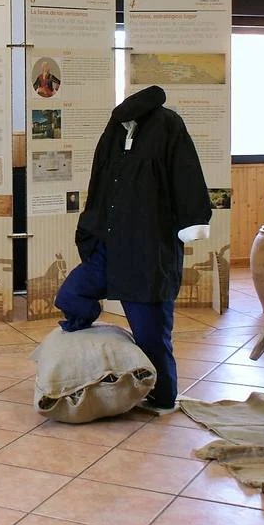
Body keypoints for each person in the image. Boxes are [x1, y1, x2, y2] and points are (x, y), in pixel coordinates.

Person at [54, 86, 211, 413]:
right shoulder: (114, 129)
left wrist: (194, 218)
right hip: (109, 250)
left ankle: (163, 396)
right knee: (69, 295)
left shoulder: (168, 125)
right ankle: (91, 354)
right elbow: (99, 181)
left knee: (153, 337)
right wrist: (89, 228)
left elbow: (186, 171)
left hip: (147, 254)